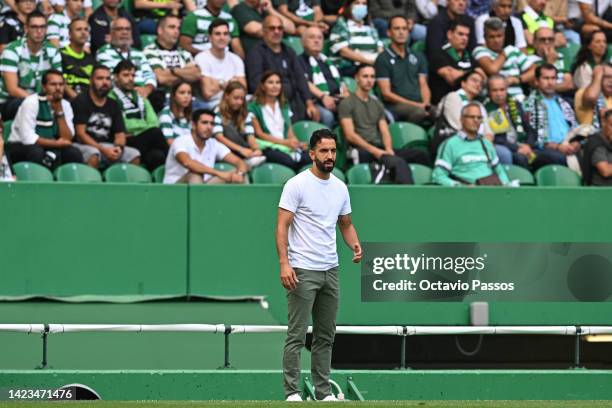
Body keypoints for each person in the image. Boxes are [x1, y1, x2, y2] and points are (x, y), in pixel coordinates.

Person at [276, 127, 362, 402]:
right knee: (297, 335)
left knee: (326, 336)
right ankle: (292, 392)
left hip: (331, 270)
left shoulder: (340, 187)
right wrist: (284, 264)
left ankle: (323, 393)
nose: (329, 156)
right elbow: (282, 226)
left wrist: (355, 245)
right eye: (324, 151)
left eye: (333, 151)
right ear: (312, 153)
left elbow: (345, 224)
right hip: (302, 269)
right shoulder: (296, 184)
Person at [339, 64, 431, 168]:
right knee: (397, 163)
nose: (369, 80)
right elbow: (350, 135)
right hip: (361, 149)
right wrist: (375, 151)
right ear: (356, 78)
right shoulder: (347, 103)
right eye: (365, 76)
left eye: (372, 77)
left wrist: (388, 149)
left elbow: (385, 131)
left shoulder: (377, 104)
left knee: (420, 155)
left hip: (379, 147)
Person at [246, 15, 318, 122]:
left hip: (295, 100)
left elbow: (300, 78)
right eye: (272, 28)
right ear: (264, 31)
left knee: (321, 116)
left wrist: (309, 103)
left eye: (280, 28)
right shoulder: (256, 53)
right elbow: (255, 83)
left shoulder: (289, 51)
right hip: (271, 103)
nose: (276, 31)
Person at [6, 69, 82, 168]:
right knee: (37, 153)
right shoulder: (31, 102)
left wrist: (59, 112)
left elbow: (67, 138)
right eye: (53, 84)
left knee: (74, 153)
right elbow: (28, 138)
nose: (58, 88)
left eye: (61, 84)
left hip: (51, 145)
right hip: (20, 145)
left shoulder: (65, 105)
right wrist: (56, 144)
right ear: (44, 87)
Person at [72, 65, 141, 168]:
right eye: (100, 78)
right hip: (83, 145)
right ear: (91, 81)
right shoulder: (81, 101)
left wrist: (118, 148)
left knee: (134, 155)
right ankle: (90, 183)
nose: (105, 82)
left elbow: (120, 134)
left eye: (108, 79)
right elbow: (80, 135)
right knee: (94, 154)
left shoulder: (113, 104)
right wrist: (103, 149)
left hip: (107, 146)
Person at [0, 11, 63, 121]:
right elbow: (12, 89)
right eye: (34, 27)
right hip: (10, 102)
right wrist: (40, 102)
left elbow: (57, 82)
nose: (39, 31)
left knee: (67, 106)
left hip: (42, 99)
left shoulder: (53, 51)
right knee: (25, 106)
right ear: (26, 28)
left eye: (42, 27)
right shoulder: (12, 50)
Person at [109, 60, 169, 171]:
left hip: (143, 138)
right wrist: (143, 127)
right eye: (126, 75)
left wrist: (140, 129)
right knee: (155, 133)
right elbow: (124, 125)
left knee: (157, 156)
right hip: (126, 140)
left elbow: (153, 121)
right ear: (116, 77)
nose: (131, 79)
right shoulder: (111, 97)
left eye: (133, 75)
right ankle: (176, 166)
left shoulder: (140, 95)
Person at [432, 102, 510, 186]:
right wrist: (460, 187)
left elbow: (500, 172)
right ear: (461, 119)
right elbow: (438, 176)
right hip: (465, 195)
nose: (476, 120)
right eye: (472, 117)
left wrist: (506, 185)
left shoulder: (486, 143)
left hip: (491, 191)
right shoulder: (450, 144)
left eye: (479, 118)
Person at [163, 108, 248, 184]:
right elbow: (187, 163)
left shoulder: (214, 143)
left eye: (212, 124)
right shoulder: (180, 141)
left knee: (238, 175)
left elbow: (239, 162)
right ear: (193, 125)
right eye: (204, 123)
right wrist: (219, 173)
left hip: (204, 187)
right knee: (195, 175)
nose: (209, 127)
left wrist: (239, 174)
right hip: (175, 190)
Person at [375, 14, 433, 124]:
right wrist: (417, 105)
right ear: (388, 33)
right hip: (395, 106)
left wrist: (426, 103)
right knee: (419, 113)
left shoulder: (418, 56)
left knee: (438, 112)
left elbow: (423, 84)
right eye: (397, 29)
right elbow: (386, 94)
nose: (401, 32)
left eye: (404, 28)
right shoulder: (382, 58)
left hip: (419, 104)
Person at [249, 71, 311, 171]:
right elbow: (259, 133)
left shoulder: (284, 105)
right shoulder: (253, 106)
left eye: (278, 82)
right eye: (270, 82)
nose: (275, 86)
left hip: (286, 144)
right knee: (289, 161)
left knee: (312, 157)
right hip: (269, 146)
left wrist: (296, 143)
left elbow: (290, 131)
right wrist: (284, 142)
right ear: (263, 86)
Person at [523, 63, 579, 167]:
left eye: (553, 78)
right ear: (536, 81)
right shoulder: (529, 104)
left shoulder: (564, 102)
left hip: (568, 145)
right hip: (546, 149)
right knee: (561, 158)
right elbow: (534, 138)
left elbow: (575, 128)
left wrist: (576, 143)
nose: (550, 82)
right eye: (546, 78)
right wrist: (558, 147)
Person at [143, 15, 200, 112]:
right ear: (160, 30)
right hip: (165, 100)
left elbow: (196, 74)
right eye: (172, 27)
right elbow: (161, 78)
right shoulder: (150, 51)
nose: (176, 31)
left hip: (189, 100)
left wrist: (173, 71)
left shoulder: (184, 52)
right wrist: (185, 73)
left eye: (178, 28)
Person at [473, 17, 535, 100]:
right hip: (493, 101)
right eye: (492, 37)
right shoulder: (480, 51)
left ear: (504, 35)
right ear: (485, 37)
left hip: (518, 99)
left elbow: (535, 70)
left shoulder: (513, 51)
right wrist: (504, 54)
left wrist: (517, 79)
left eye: (499, 36)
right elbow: (493, 70)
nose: (496, 40)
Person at [96, 17, 157, 98]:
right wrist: (133, 91)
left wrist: (147, 89)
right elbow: (112, 79)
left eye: (127, 29)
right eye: (119, 29)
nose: (124, 32)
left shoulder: (139, 53)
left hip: (143, 94)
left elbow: (149, 75)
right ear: (111, 32)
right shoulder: (104, 52)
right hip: (118, 96)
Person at [485, 75, 537, 168]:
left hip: (525, 145)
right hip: (508, 148)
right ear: (489, 92)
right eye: (495, 90)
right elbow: (498, 139)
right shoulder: (489, 109)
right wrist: (518, 148)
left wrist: (528, 145)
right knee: (521, 158)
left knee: (553, 157)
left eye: (502, 90)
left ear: (507, 90)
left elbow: (529, 129)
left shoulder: (516, 104)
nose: (499, 94)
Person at [213, 81, 266, 168]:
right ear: (226, 96)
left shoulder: (245, 114)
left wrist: (256, 149)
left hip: (243, 150)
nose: (239, 102)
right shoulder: (217, 112)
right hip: (226, 151)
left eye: (242, 99)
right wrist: (241, 150)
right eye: (236, 98)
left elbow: (250, 136)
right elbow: (219, 137)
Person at [195, 19, 246, 110]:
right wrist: (228, 83)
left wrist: (216, 83)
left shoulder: (236, 59)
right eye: (217, 34)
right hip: (210, 105)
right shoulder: (201, 58)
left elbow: (243, 89)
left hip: (234, 102)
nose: (222, 37)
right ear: (210, 38)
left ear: (229, 38)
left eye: (225, 34)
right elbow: (207, 93)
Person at [299, 25, 343, 129]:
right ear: (303, 42)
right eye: (312, 37)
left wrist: (345, 94)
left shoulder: (328, 62)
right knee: (327, 116)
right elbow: (304, 82)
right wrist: (323, 97)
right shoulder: (299, 61)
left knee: (357, 108)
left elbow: (341, 83)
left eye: (319, 38)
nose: (316, 41)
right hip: (316, 101)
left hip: (336, 98)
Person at [328, 0, 383, 76]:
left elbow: (380, 49)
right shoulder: (340, 25)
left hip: (371, 67)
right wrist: (368, 62)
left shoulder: (370, 27)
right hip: (348, 68)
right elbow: (344, 52)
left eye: (364, 4)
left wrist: (379, 62)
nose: (361, 6)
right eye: (357, 3)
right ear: (349, 6)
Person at [428, 19, 475, 104]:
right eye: (460, 34)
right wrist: (473, 74)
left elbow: (482, 77)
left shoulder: (470, 56)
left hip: (470, 103)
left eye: (467, 35)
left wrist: (463, 73)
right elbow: (453, 78)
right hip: (446, 103)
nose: (464, 38)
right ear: (449, 34)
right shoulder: (438, 54)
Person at [180, 0, 244, 58]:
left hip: (224, 61)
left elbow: (237, 48)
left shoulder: (229, 19)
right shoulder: (194, 17)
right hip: (198, 61)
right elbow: (184, 45)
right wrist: (208, 56)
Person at [231, 0, 295, 55]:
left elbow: (291, 29)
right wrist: (280, 28)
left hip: (277, 57)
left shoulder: (268, 10)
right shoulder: (239, 9)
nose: (276, 31)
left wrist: (270, 9)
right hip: (257, 58)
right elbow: (254, 30)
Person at [530, 27, 574, 94]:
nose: (547, 42)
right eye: (542, 40)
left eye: (550, 39)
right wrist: (549, 62)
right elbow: (534, 83)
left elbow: (568, 84)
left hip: (563, 96)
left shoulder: (561, 56)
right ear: (535, 42)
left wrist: (548, 87)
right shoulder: (529, 60)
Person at [61, 18, 94, 100]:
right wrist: (78, 100)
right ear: (69, 34)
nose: (83, 33)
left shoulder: (91, 59)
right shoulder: (60, 56)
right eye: (79, 29)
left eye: (86, 29)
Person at [575, 62, 612, 128]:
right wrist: (597, 74)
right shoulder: (583, 92)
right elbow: (591, 97)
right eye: (606, 77)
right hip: (591, 136)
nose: (611, 81)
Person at [582, 110, 612, 185]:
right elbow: (606, 171)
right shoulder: (596, 143)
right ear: (604, 124)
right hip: (602, 191)